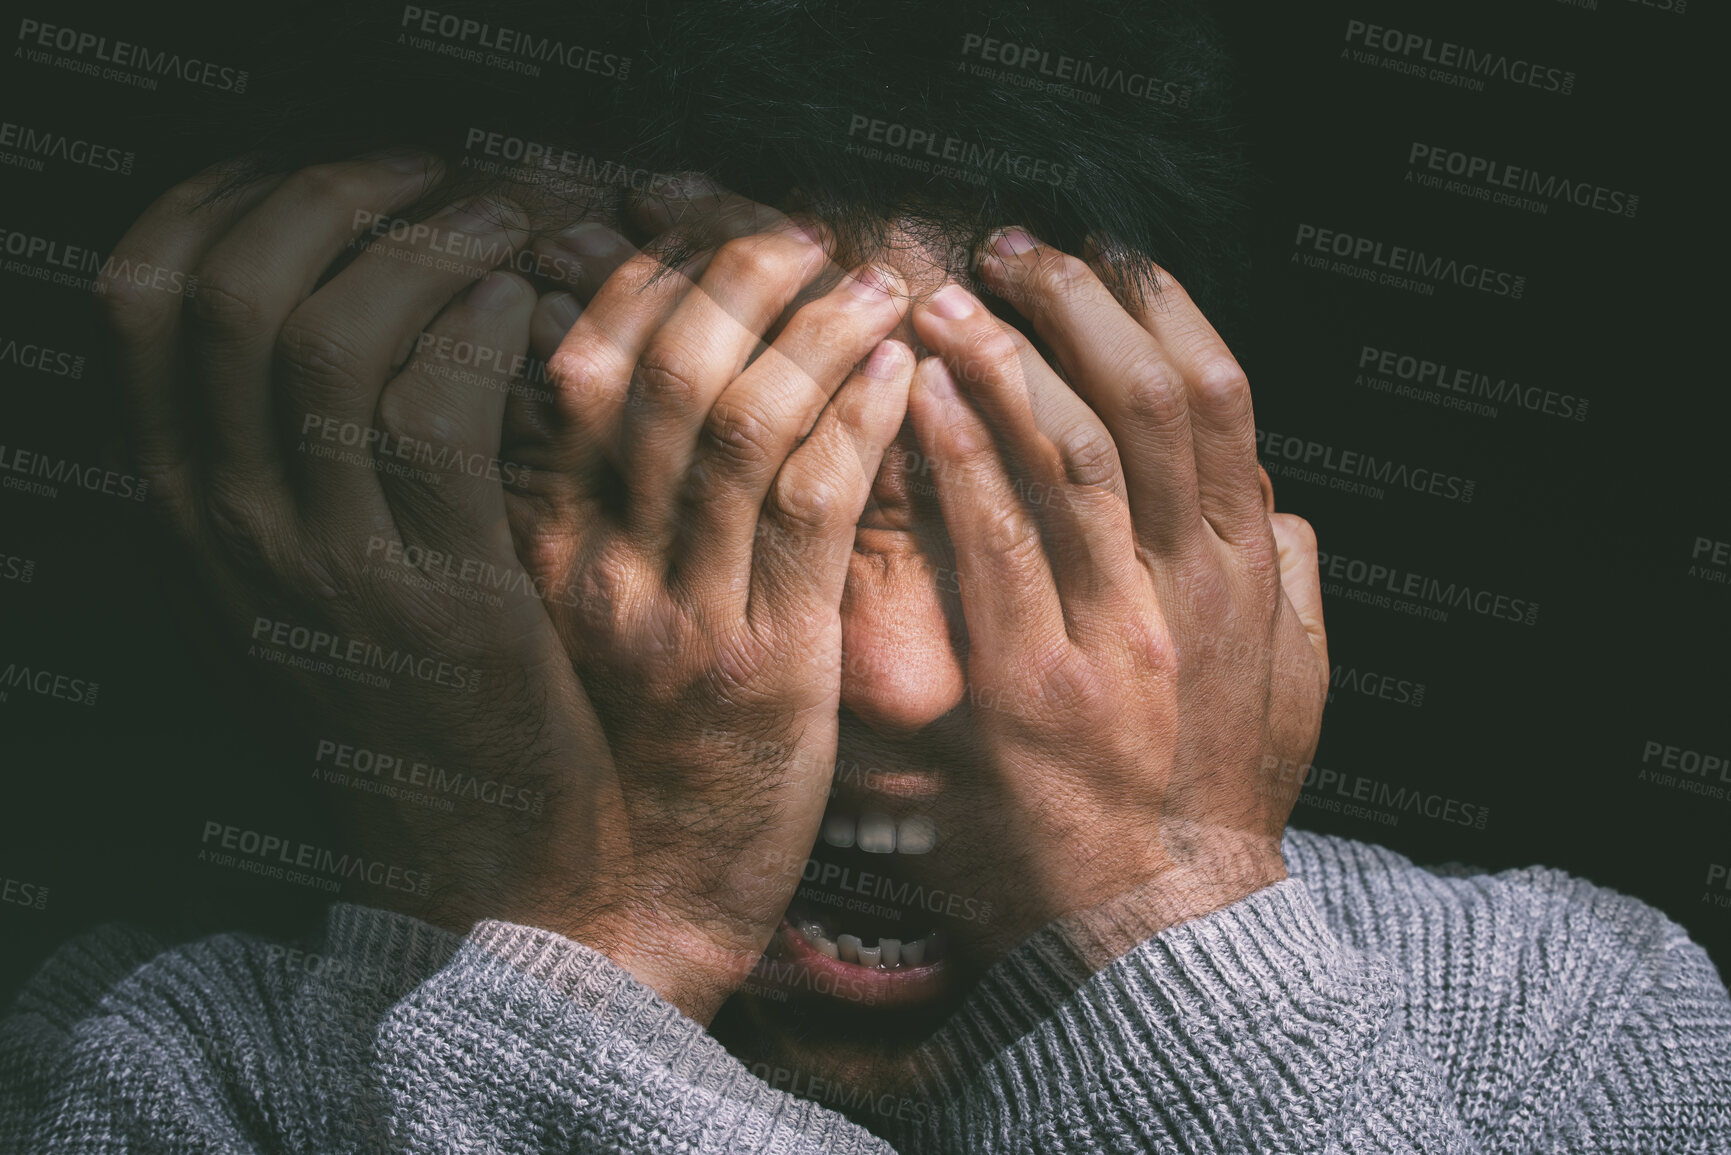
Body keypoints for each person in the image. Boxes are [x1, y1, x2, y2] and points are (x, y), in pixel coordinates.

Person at [4, 2, 1730, 1151]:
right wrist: (599, 957)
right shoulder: (163, 1072)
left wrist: (1169, 906)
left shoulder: (1560, 1015)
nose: (903, 678)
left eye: (1021, 505)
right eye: (676, 503)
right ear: (371, 546)